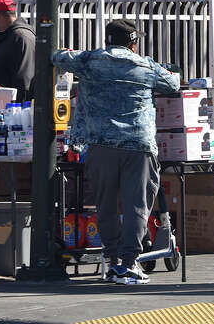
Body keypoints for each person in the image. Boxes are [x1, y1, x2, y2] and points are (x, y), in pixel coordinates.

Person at [53, 20, 179, 286]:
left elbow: (58, 57)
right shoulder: (144, 65)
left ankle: (112, 262)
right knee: (136, 206)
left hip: (100, 144)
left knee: (105, 205)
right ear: (133, 42)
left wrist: (66, 50)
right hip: (138, 145)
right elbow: (173, 84)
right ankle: (129, 263)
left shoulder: (89, 61)